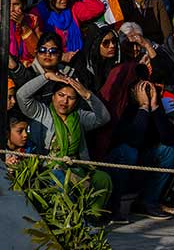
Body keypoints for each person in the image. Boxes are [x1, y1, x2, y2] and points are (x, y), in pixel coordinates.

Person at [16, 72, 112, 214]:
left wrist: (87, 95)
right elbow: (21, 96)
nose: (65, 101)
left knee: (103, 179)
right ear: (53, 96)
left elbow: (103, 118)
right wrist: (46, 77)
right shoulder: (41, 112)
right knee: (61, 178)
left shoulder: (79, 117)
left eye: (71, 98)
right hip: (47, 169)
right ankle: (71, 219)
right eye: (61, 95)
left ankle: (91, 218)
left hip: (76, 167)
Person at [106, 79, 174, 221]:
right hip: (117, 166)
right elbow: (134, 139)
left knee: (169, 149)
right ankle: (113, 207)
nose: (147, 93)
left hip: (142, 165)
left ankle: (148, 202)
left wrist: (154, 107)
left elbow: (172, 139)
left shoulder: (158, 110)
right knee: (129, 151)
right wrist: (143, 107)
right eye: (142, 90)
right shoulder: (124, 109)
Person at [31, 0, 105, 60]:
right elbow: (34, 42)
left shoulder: (72, 9)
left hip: (79, 57)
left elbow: (98, 8)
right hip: (53, 61)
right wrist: (62, 56)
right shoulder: (38, 14)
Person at [9, 32, 77, 100]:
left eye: (53, 51)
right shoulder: (29, 73)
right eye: (42, 50)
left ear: (61, 54)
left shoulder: (69, 74)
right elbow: (23, 78)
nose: (47, 54)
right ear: (36, 52)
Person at [70, 24, 121, 93]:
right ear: (95, 44)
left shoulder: (117, 62)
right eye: (106, 43)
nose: (112, 46)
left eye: (114, 41)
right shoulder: (80, 64)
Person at [9, 0, 41, 68]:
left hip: (30, 68)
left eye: (16, 4)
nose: (11, 9)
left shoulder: (32, 20)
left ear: (23, 5)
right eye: (7, 4)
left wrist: (24, 25)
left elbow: (37, 52)